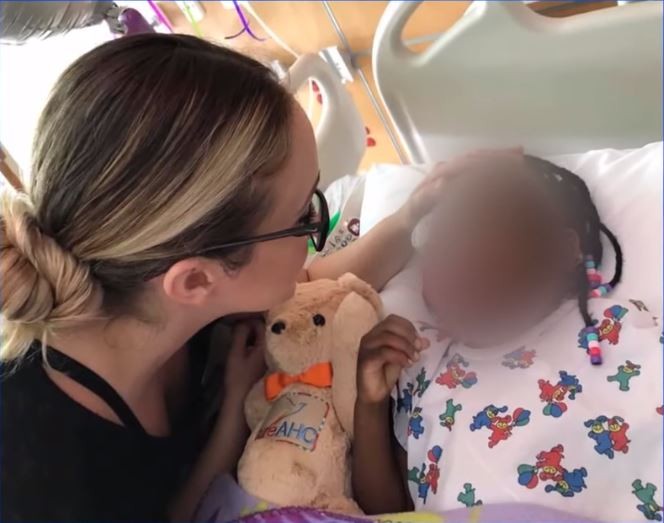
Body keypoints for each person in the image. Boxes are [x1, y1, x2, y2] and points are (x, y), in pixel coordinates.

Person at [0, 34, 439, 522]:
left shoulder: (150, 287)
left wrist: (414, 213)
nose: (316, 230)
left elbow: (314, 283)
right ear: (195, 282)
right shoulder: (49, 486)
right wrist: (232, 412)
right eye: (303, 216)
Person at [352, 153, 662, 521]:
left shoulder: (616, 323)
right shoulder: (422, 363)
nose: (461, 256)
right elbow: (387, 510)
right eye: (443, 241)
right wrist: (370, 404)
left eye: (486, 229)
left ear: (564, 249)